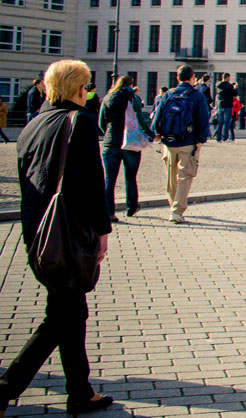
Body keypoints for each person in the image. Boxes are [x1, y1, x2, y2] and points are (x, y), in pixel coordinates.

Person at [6, 59, 115, 416]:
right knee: (60, 319)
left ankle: (80, 393)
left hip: (39, 232)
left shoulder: (34, 123)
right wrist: (102, 231)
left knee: (70, 312)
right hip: (67, 235)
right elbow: (91, 185)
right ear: (78, 88)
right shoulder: (78, 121)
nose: (88, 91)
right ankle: (5, 389)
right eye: (86, 85)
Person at [153, 65, 212, 223]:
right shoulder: (197, 96)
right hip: (188, 141)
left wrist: (158, 134)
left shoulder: (168, 94)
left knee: (171, 177)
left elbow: (157, 118)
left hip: (168, 141)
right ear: (192, 78)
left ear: (178, 78)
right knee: (185, 176)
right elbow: (203, 120)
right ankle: (177, 211)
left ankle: (173, 205)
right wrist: (201, 140)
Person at [97, 76, 155, 221]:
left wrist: (108, 133)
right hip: (130, 142)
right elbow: (141, 121)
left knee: (110, 179)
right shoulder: (133, 98)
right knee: (130, 177)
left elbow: (101, 122)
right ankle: (132, 207)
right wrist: (151, 135)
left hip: (111, 142)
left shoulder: (108, 97)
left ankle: (109, 212)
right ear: (130, 85)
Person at [213, 73, 236, 142]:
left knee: (220, 122)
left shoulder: (218, 85)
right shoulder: (229, 86)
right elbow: (234, 94)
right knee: (226, 122)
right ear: (227, 78)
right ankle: (225, 138)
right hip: (228, 105)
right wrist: (235, 88)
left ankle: (218, 138)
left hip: (220, 104)